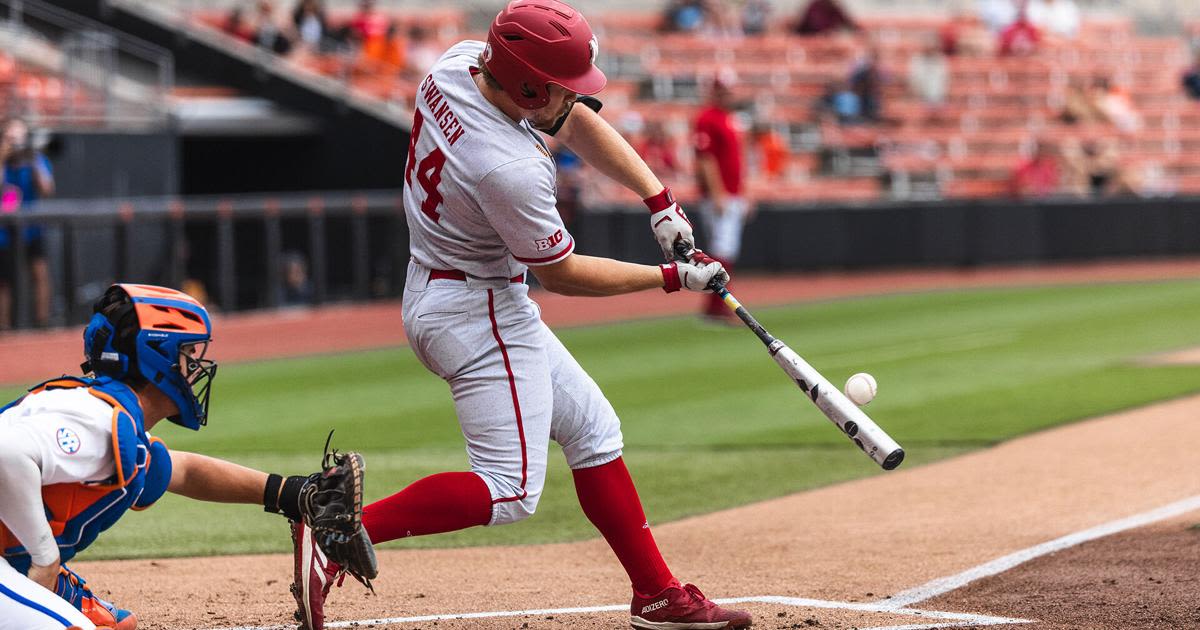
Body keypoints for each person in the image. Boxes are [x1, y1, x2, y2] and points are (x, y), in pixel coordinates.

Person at [289, 2, 747, 629]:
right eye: (560, 85)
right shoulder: (508, 168)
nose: (575, 96)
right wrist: (669, 278)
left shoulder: (456, 65)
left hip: (445, 288)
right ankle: (338, 534)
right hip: (477, 308)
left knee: (592, 429)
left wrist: (659, 201)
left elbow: (575, 122)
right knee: (509, 490)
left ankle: (657, 593)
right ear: (528, 84)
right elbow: (559, 272)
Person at [0, 283, 372, 630]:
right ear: (155, 357)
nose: (195, 368)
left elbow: (184, 471)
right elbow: (6, 454)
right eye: (187, 354)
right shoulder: (98, 418)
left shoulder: (110, 417)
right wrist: (45, 556)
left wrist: (294, 494)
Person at [693, 73, 747, 325]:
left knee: (727, 248)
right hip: (720, 194)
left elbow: (739, 160)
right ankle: (718, 305)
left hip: (733, 192)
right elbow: (705, 158)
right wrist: (717, 193)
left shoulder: (731, 119)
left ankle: (717, 304)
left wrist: (745, 193)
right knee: (722, 247)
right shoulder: (707, 118)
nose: (729, 95)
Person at [0, 118, 54, 329]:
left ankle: (43, 323)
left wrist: (33, 162)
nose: (16, 144)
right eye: (10, 138)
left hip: (32, 228)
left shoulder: (35, 159)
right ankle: (3, 326)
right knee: (3, 281)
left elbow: (47, 189)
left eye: (19, 138)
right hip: (4, 230)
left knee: (39, 273)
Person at [793, 0, 858, 36]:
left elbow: (849, 24)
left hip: (825, 43)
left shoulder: (835, 9)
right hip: (809, 41)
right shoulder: (815, 7)